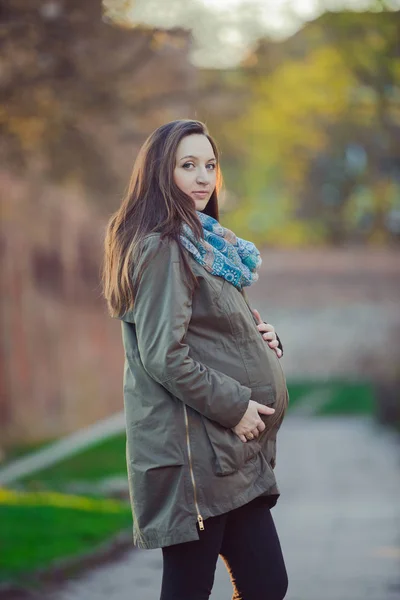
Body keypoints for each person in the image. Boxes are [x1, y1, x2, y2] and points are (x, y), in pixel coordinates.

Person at [102, 119, 289, 600]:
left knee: (266, 585)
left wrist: (260, 337)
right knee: (189, 590)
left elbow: (207, 332)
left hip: (226, 456)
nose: (204, 177)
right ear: (160, 174)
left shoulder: (202, 247)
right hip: (195, 458)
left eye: (210, 165)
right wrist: (238, 407)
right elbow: (165, 354)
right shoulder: (164, 248)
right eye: (188, 166)